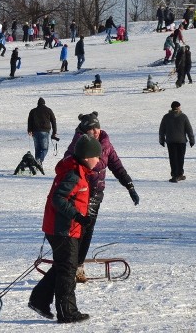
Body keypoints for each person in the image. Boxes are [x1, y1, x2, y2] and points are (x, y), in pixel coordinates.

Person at [28, 134, 101, 323]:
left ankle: (39, 300)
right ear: (86, 157)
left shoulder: (79, 172)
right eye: (97, 156)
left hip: (65, 228)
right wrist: (77, 216)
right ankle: (67, 312)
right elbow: (58, 199)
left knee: (64, 266)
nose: (99, 160)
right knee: (68, 270)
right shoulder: (74, 175)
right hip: (63, 229)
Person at [64, 112, 139, 283]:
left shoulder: (105, 143)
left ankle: (78, 265)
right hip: (79, 194)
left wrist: (129, 186)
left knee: (87, 231)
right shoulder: (79, 143)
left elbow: (117, 166)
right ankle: (71, 264)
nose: (95, 131)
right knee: (76, 231)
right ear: (84, 129)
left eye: (97, 127)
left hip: (96, 195)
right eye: (91, 128)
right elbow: (67, 163)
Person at [159, 101, 195, 182]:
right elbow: (189, 130)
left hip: (170, 141)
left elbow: (162, 130)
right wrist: (191, 140)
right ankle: (179, 174)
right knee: (180, 158)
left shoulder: (166, 117)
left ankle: (175, 175)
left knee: (173, 158)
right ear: (178, 107)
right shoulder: (183, 117)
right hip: (181, 141)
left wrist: (161, 140)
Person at [27, 98, 57, 164]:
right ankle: (39, 161)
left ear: (38, 103)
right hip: (44, 132)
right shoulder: (48, 110)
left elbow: (29, 121)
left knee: (37, 149)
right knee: (44, 149)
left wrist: (29, 130)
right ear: (44, 103)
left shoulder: (33, 111)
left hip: (35, 132)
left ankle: (37, 163)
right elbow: (53, 121)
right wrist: (54, 132)